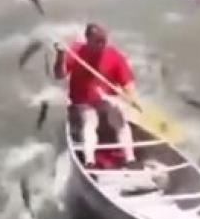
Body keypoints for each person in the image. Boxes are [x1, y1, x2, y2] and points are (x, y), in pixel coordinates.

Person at [53, 23, 139, 168]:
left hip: (107, 98)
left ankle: (130, 159)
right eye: (97, 41)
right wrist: (60, 56)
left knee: (119, 117)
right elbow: (59, 75)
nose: (101, 45)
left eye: (103, 41)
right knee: (90, 120)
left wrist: (130, 97)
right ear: (87, 39)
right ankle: (90, 161)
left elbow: (128, 83)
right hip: (83, 100)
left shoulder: (113, 54)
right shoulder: (76, 51)